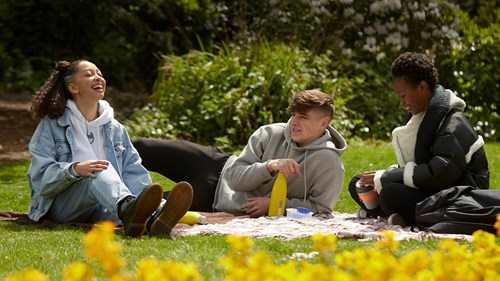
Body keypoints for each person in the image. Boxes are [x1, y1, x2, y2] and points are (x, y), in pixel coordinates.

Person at [28, 59, 193, 238]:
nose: (98, 78)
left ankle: (153, 220)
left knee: (112, 185)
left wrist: (147, 198)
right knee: (100, 169)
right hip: (64, 206)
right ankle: (131, 209)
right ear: (73, 87)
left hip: (105, 202)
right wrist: (74, 170)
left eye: (99, 73)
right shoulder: (52, 125)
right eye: (89, 74)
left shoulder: (115, 128)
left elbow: (132, 170)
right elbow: (40, 178)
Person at [134, 89, 347, 217]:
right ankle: (100, 162)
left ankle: (107, 202)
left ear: (324, 123)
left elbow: (320, 209)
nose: (295, 122)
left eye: (303, 117)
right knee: (143, 147)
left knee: (144, 206)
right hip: (217, 164)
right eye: (294, 115)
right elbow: (235, 178)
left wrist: (273, 205)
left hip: (215, 200)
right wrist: (270, 166)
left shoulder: (329, 162)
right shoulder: (270, 132)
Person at [349, 52, 489, 226]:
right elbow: (420, 169)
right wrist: (386, 176)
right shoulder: (425, 115)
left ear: (422, 87)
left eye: (403, 95)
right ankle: (398, 214)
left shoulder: (453, 124)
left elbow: (438, 175)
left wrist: (388, 176)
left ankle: (397, 213)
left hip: (460, 198)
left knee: (390, 193)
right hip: (433, 190)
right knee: (358, 183)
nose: (402, 103)